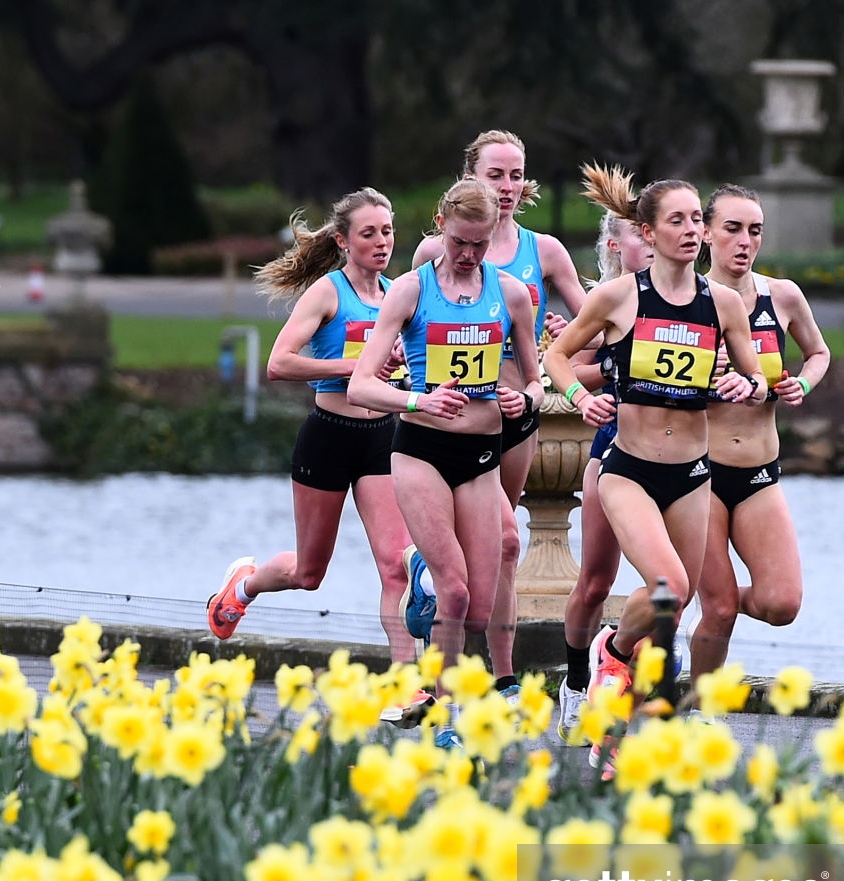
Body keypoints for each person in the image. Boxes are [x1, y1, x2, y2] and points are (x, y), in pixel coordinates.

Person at [542, 167, 763, 718]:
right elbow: (557, 357)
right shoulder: (618, 298)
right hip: (628, 470)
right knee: (666, 587)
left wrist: (745, 382)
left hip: (692, 474)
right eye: (677, 220)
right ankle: (593, 671)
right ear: (647, 232)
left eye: (696, 220)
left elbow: (756, 378)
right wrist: (578, 397)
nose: (691, 230)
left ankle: (611, 650)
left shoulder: (725, 304)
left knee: (680, 597)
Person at [349, 179, 542, 748]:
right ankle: (444, 720)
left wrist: (522, 399)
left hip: (481, 457)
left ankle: (420, 579)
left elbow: (536, 379)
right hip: (421, 450)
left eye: (479, 245)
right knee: (453, 592)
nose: (468, 255)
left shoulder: (509, 295)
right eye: (459, 241)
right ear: (441, 225)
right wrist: (418, 399)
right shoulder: (410, 291)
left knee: (478, 611)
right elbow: (362, 383)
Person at [205, 189, 416, 667]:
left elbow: (407, 364)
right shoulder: (328, 292)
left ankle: (407, 683)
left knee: (394, 568)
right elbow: (279, 363)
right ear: (343, 241)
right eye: (368, 234)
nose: (381, 242)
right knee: (308, 573)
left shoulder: (398, 294)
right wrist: (354, 368)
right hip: (328, 437)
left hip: (382, 437)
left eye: (387, 231)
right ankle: (243, 583)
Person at [409, 130, 586, 694]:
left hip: (518, 414)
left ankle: (499, 671)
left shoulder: (545, 253)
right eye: (495, 175)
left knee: (497, 549)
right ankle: (483, 669)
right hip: (452, 416)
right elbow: (406, 331)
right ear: (471, 179)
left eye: (515, 176)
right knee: (506, 539)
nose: (507, 187)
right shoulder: (434, 254)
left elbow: (597, 326)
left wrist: (567, 336)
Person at [687, 184, 830, 678]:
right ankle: (695, 717)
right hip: (697, 475)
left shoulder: (782, 295)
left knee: (781, 603)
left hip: (759, 474)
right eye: (732, 229)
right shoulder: (686, 302)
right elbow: (642, 384)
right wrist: (700, 380)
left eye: (755, 231)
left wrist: (802, 387)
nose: (744, 241)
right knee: (721, 608)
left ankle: (662, 614)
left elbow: (819, 353)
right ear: (705, 233)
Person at [556, 208, 655, 744]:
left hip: (675, 456)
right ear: (619, 248)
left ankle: (633, 697)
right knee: (595, 581)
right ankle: (576, 683)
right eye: (643, 240)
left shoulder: (689, 297)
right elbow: (571, 361)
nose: (656, 246)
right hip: (613, 447)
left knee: (667, 587)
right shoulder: (610, 299)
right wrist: (580, 389)